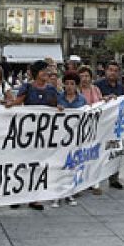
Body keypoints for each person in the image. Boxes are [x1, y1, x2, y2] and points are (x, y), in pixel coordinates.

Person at [5, 60, 59, 210]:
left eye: (47, 71)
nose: (46, 73)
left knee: (38, 166)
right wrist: (10, 104)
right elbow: (18, 102)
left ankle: (34, 198)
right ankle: (17, 196)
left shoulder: (51, 89)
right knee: (22, 165)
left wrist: (60, 108)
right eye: (43, 71)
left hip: (43, 135)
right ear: (36, 73)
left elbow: (55, 106)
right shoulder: (27, 87)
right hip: (27, 133)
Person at [52, 71, 85, 207]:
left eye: (72, 84)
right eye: (67, 84)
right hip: (60, 137)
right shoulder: (58, 98)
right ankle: (56, 194)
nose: (70, 86)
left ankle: (69, 192)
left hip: (76, 137)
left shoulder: (82, 99)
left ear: (76, 85)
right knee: (59, 165)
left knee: (72, 164)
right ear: (64, 85)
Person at [94, 61, 124, 190]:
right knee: (99, 151)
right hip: (101, 125)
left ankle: (114, 178)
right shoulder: (97, 85)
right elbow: (93, 102)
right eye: (110, 69)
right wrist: (105, 99)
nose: (112, 72)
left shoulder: (121, 88)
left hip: (116, 126)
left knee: (115, 151)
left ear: (118, 73)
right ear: (106, 71)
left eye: (115, 70)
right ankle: (95, 179)